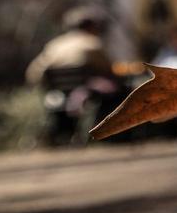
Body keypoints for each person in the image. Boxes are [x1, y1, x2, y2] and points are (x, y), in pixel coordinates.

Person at [26, 7, 120, 143]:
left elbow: (34, 72)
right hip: (85, 92)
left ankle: (62, 134)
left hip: (58, 92)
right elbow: (108, 69)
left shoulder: (55, 45)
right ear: (90, 26)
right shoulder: (92, 43)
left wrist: (47, 86)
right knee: (114, 90)